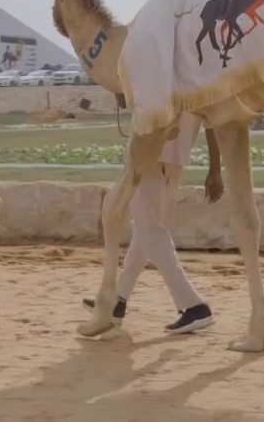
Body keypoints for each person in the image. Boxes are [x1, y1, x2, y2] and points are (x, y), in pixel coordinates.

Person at [81, 112, 224, 334]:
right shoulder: (195, 77)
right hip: (175, 158)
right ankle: (118, 300)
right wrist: (215, 167)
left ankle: (194, 305)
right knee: (144, 230)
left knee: (149, 230)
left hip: (150, 152)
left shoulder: (161, 77)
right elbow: (211, 120)